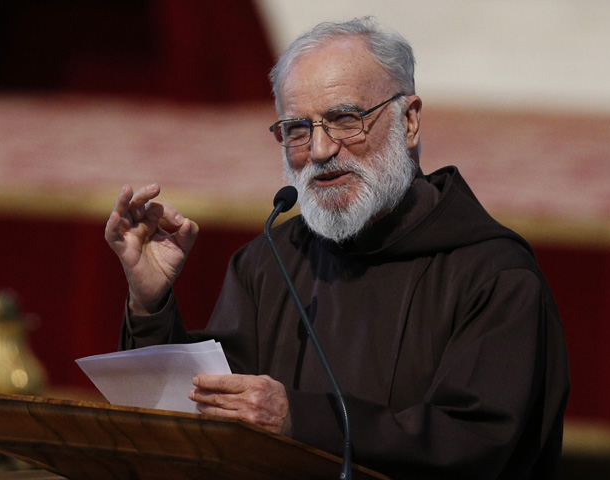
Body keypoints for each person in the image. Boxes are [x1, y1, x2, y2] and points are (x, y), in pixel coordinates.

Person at [105, 17, 569, 480]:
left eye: (345, 119)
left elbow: (478, 445)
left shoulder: (493, 275)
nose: (321, 149)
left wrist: (300, 420)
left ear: (408, 121)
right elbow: (202, 424)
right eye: (297, 129)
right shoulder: (268, 263)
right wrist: (151, 306)